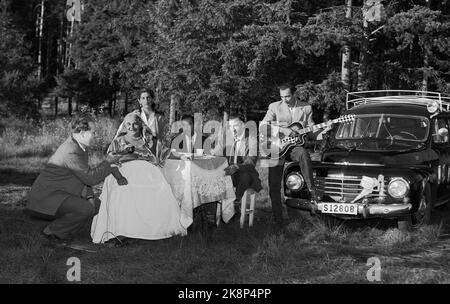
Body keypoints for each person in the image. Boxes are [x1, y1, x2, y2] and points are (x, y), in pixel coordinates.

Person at [90, 112, 187, 244]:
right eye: (128, 124)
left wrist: (182, 156)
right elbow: (110, 161)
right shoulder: (118, 141)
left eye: (135, 123)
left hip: (148, 175)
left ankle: (154, 230)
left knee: (161, 190)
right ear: (124, 125)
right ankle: (122, 231)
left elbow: (166, 152)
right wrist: (119, 177)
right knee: (123, 192)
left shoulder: (149, 140)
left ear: (140, 124)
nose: (132, 126)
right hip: (123, 173)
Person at [26, 114, 122, 245]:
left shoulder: (80, 147)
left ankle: (65, 231)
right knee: (86, 209)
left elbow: (84, 176)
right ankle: (52, 232)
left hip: (58, 194)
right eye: (93, 132)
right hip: (45, 198)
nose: (95, 135)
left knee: (96, 206)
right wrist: (108, 162)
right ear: (82, 133)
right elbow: (90, 178)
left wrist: (90, 198)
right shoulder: (71, 150)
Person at [261, 83, 322, 226]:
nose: (284, 99)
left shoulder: (306, 108)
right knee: (274, 185)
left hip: (294, 148)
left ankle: (311, 189)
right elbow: (264, 126)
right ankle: (278, 219)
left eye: (287, 96)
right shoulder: (274, 107)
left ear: (294, 94)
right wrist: (284, 131)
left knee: (303, 153)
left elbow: (311, 131)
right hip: (276, 147)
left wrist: (322, 132)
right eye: (282, 96)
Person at [214, 113, 262, 202]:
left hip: (245, 172)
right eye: (230, 126)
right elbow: (216, 153)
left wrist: (237, 167)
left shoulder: (252, 139)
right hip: (228, 172)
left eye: (235, 125)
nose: (232, 129)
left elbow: (251, 162)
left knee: (244, 176)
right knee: (212, 175)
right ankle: (216, 206)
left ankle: (236, 202)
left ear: (242, 125)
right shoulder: (226, 137)